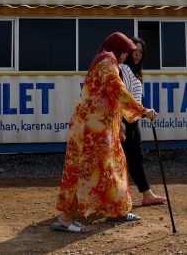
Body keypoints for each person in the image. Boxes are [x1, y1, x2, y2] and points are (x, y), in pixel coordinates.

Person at [53, 32, 158, 233]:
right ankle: (66, 219)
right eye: (126, 52)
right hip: (92, 132)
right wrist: (143, 111)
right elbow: (118, 92)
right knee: (88, 171)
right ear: (117, 48)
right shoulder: (107, 63)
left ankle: (117, 211)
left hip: (96, 129)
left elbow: (108, 99)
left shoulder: (104, 61)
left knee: (111, 168)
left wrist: (119, 127)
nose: (126, 57)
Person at [120, 37, 167, 206]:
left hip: (134, 121)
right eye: (135, 51)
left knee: (136, 159)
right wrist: (120, 122)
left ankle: (147, 194)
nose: (138, 55)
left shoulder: (136, 73)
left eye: (141, 52)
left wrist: (145, 112)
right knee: (120, 162)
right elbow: (120, 98)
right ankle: (118, 199)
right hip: (122, 123)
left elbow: (135, 101)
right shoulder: (123, 69)